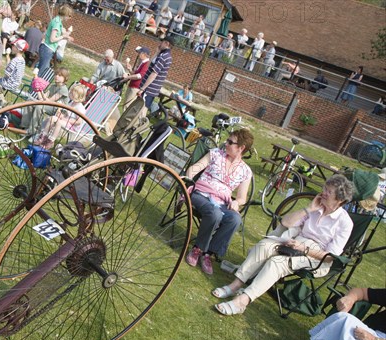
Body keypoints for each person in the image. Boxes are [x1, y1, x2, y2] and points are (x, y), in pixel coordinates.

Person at [212, 174, 354, 315]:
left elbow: (330, 257)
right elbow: (285, 223)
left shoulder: (345, 223)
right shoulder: (316, 208)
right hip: (296, 242)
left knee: (277, 262)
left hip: (316, 257)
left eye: (329, 192)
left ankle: (243, 301)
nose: (323, 193)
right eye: (324, 188)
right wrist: (309, 208)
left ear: (339, 200)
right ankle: (236, 285)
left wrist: (304, 249)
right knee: (264, 246)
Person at [184, 129, 254, 275]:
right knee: (215, 214)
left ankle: (208, 253)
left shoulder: (246, 171)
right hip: (201, 194)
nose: (225, 143)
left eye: (230, 142)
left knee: (235, 219)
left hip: (222, 202)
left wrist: (237, 203)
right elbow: (195, 167)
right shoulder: (216, 153)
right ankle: (198, 248)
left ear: (241, 148)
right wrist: (188, 181)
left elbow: (242, 197)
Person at [35, 84, 88, 149]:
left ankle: (51, 141)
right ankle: (43, 136)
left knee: (58, 122)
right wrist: (61, 114)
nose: (70, 94)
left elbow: (78, 122)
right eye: (71, 93)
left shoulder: (80, 108)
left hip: (73, 126)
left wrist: (64, 119)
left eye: (73, 94)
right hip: (66, 121)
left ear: (79, 97)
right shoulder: (71, 103)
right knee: (52, 118)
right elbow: (66, 113)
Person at [20, 67, 70, 135]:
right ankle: (25, 126)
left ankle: (32, 131)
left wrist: (41, 90)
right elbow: (42, 99)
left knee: (39, 107)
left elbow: (49, 101)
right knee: (30, 101)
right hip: (49, 105)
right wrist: (38, 89)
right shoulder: (53, 86)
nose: (56, 76)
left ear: (65, 78)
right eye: (56, 74)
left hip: (58, 110)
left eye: (60, 75)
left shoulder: (63, 89)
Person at [137, 36, 173, 111]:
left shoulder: (163, 57)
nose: (160, 44)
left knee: (141, 109)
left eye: (162, 42)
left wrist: (143, 88)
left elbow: (154, 74)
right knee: (140, 109)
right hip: (150, 88)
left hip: (149, 88)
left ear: (167, 43)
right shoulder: (163, 55)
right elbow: (148, 65)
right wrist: (156, 53)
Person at [37, 4, 74, 78]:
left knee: (40, 72)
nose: (70, 18)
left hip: (47, 48)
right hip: (47, 49)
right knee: (41, 74)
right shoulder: (57, 23)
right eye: (69, 16)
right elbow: (52, 39)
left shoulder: (58, 22)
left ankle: (33, 89)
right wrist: (63, 36)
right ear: (65, 14)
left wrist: (67, 36)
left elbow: (59, 36)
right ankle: (33, 89)